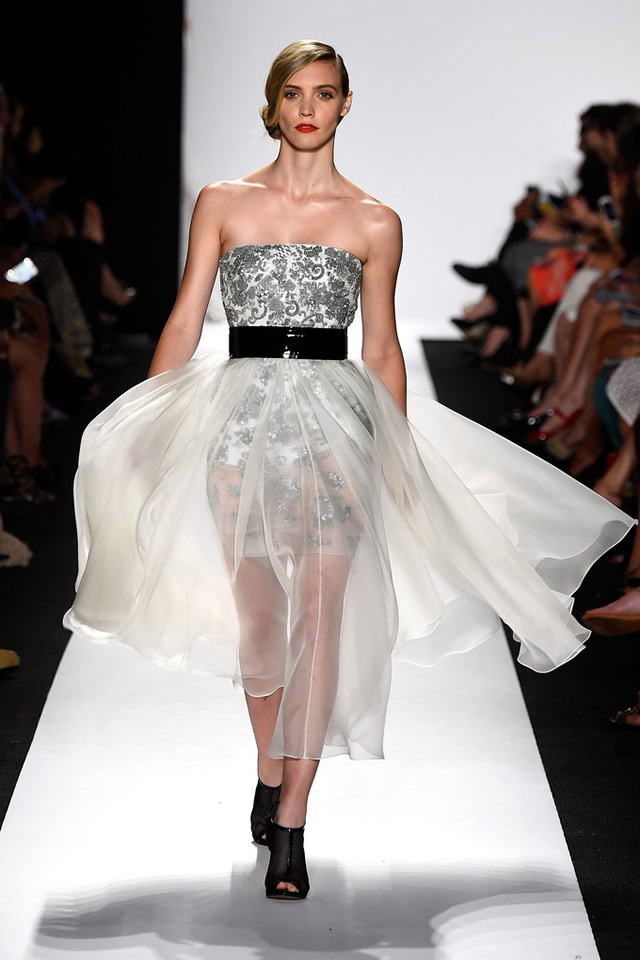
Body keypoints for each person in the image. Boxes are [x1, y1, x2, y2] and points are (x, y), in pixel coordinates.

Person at [64, 41, 635, 902]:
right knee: (261, 622)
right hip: (237, 425)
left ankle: (294, 817)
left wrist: (395, 455)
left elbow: (383, 348)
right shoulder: (222, 201)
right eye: (294, 93)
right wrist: (148, 420)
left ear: (345, 104)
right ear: (273, 104)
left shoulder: (375, 221)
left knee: (322, 619)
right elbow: (184, 318)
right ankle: (269, 766)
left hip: (337, 428)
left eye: (324, 94)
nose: (308, 109)